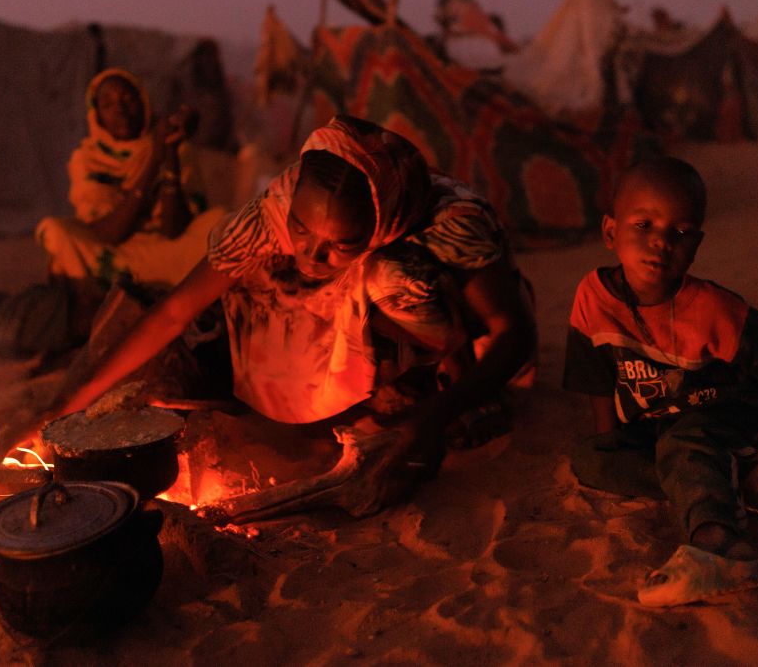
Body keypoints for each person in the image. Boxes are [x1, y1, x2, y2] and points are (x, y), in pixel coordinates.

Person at [48, 115, 537, 475]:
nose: (311, 254)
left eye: (339, 243)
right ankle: (367, 391)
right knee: (253, 272)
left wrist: (434, 417)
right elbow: (175, 310)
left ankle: (436, 386)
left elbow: (513, 331)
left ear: (382, 218)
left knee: (390, 275)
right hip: (358, 314)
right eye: (301, 229)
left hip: (455, 327)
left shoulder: (451, 221)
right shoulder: (274, 208)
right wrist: (69, 402)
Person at [563, 156, 758, 607]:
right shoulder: (592, 298)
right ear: (611, 233)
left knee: (683, 440)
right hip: (658, 425)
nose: (660, 243)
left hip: (726, 415)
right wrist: (612, 444)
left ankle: (720, 545)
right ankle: (737, 474)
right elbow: (596, 382)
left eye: (679, 232)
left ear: (695, 245)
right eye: (644, 225)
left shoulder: (717, 310)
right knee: (590, 460)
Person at [35, 68, 225, 335]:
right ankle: (93, 312)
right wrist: (154, 161)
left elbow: (174, 230)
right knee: (54, 231)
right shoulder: (86, 158)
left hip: (165, 252)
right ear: (95, 114)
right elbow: (109, 233)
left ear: (143, 103)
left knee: (219, 223)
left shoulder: (176, 147)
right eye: (108, 104)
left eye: (128, 100)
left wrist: (169, 153)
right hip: (113, 253)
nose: (120, 110)